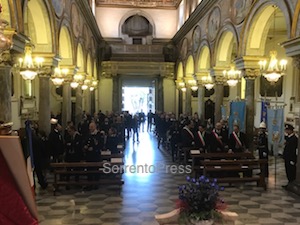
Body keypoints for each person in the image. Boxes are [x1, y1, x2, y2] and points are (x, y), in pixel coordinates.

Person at [282, 124, 298, 188]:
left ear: (291, 130)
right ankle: (289, 183)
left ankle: (292, 184)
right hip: (287, 157)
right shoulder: (288, 137)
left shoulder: (294, 138)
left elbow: (294, 150)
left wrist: (293, 159)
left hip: (291, 158)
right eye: (286, 130)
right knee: (288, 171)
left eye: (287, 130)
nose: (286, 131)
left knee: (291, 171)